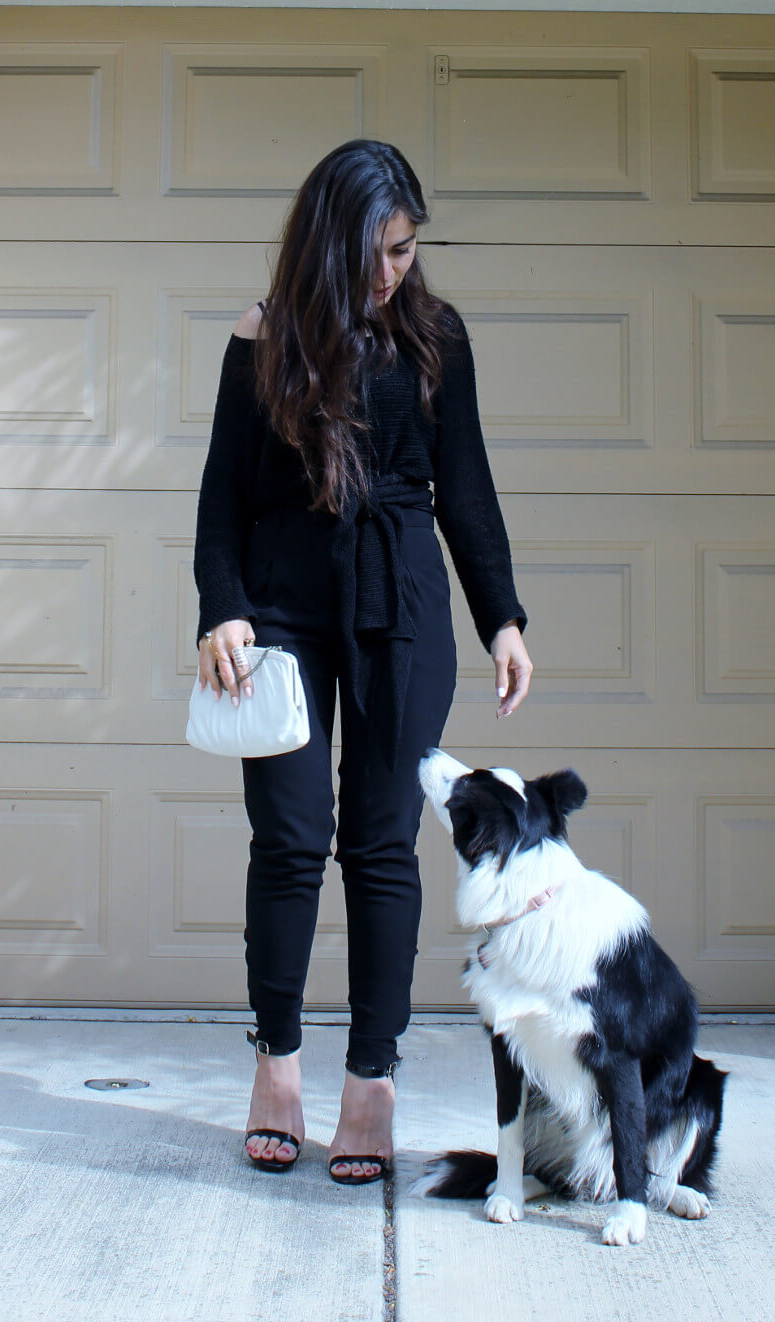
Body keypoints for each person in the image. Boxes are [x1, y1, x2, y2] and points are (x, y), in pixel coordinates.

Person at [193, 139, 533, 1183]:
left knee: (382, 847)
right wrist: (223, 611)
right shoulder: (264, 338)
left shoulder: (434, 337)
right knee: (290, 843)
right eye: (379, 251)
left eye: (407, 248)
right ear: (332, 243)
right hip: (283, 614)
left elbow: (466, 490)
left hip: (404, 611)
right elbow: (220, 502)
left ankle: (373, 1082)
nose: (394, 271)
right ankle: (278, 1069)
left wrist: (502, 618)